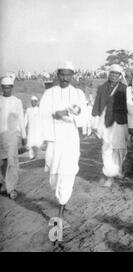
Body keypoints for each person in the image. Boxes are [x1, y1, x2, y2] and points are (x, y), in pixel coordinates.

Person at [39, 61, 87, 220]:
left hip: (70, 138)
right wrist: (55, 114)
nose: (65, 78)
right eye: (62, 74)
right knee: (54, 176)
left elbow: (83, 115)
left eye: (69, 75)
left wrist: (73, 114)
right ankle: (61, 199)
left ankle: (60, 210)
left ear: (73, 76)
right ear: (58, 75)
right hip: (54, 139)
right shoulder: (49, 93)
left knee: (67, 172)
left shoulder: (78, 94)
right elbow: (42, 114)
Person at [91, 64, 129, 187]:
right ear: (109, 74)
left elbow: (130, 106)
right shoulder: (102, 88)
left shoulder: (124, 88)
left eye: (116, 74)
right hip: (106, 121)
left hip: (120, 121)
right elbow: (96, 105)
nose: (114, 75)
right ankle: (109, 175)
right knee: (107, 148)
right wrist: (94, 123)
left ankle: (118, 169)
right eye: (112, 73)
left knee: (120, 149)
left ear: (120, 76)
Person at [0, 77, 26, 199]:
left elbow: (21, 119)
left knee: (12, 161)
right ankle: (4, 184)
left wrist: (23, 136)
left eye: (9, 87)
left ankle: (12, 188)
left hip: (13, 135)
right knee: (2, 162)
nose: (6, 90)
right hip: (1, 135)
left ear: (12, 88)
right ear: (1, 88)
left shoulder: (17, 101)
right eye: (4, 87)